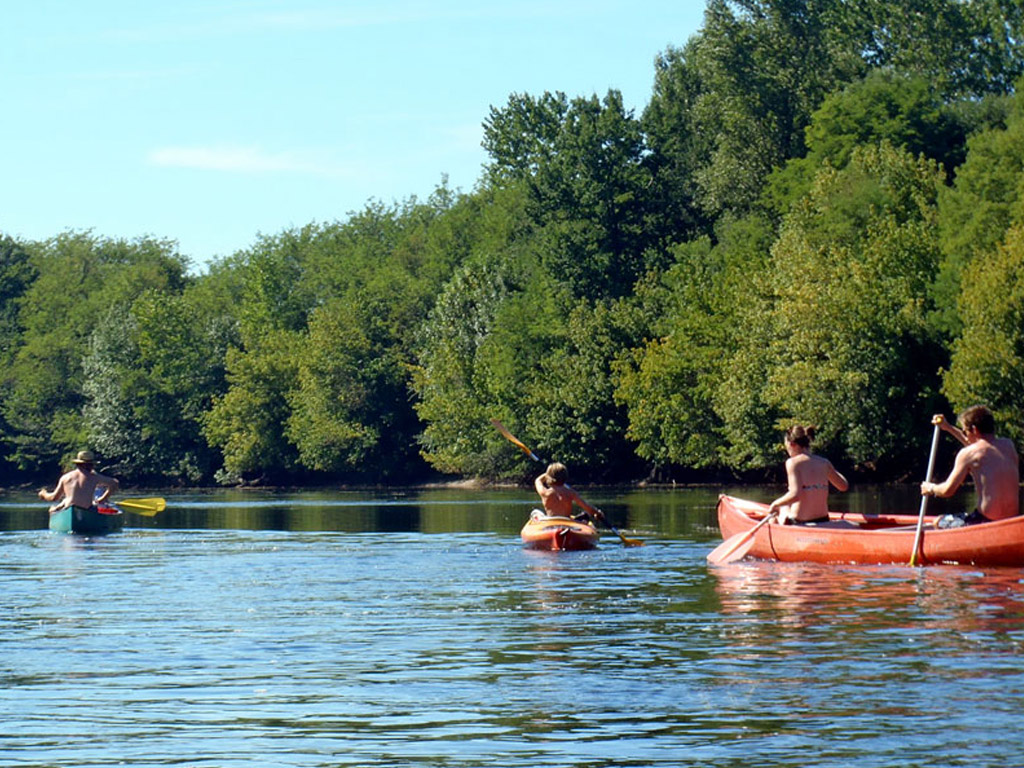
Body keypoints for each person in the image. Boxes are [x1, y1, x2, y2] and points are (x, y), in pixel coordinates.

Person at [920, 406, 1020, 527]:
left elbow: (947, 490)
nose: (965, 435)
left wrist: (930, 488)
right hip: (1012, 520)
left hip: (984, 520)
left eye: (965, 431)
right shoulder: (1008, 445)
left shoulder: (967, 454)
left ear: (974, 429)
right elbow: (978, 446)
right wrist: (948, 428)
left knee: (939, 521)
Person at [768, 425, 849, 525]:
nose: (787, 451)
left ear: (792, 444)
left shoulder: (792, 463)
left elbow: (795, 495)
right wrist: (829, 469)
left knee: (781, 508)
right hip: (823, 519)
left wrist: (775, 504)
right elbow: (843, 486)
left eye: (786, 447)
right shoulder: (824, 462)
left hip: (799, 522)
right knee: (785, 507)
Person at [38, 450, 119, 514]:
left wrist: (43, 494)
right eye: (91, 465)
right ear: (90, 465)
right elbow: (115, 483)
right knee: (95, 508)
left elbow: (54, 497)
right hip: (87, 509)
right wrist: (103, 499)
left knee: (55, 508)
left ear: (78, 464)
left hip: (68, 508)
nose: (92, 467)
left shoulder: (66, 477)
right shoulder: (94, 477)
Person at [533, 462, 605, 522]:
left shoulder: (545, 492)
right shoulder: (570, 493)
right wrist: (598, 513)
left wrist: (547, 474)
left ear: (549, 477)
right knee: (586, 515)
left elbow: (538, 480)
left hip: (551, 522)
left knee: (535, 513)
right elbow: (587, 507)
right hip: (566, 521)